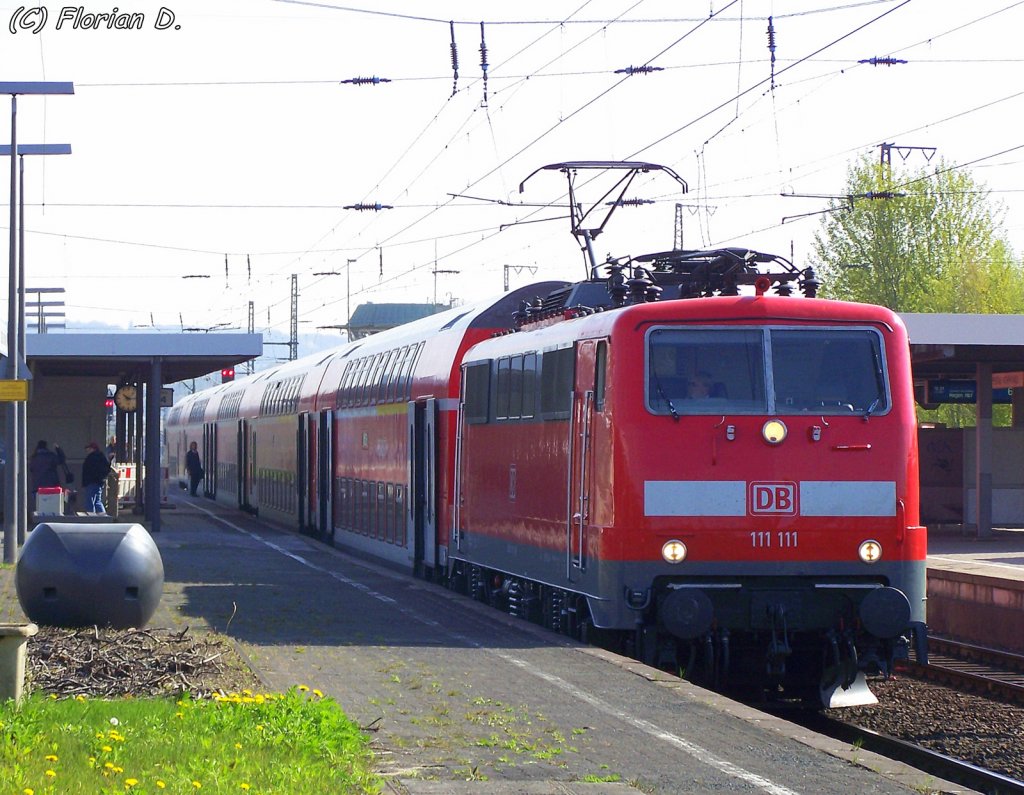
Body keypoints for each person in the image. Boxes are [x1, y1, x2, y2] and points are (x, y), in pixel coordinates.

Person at [82, 441, 112, 514]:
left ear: (93, 449)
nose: (87, 450)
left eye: (88, 448)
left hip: (91, 482)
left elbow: (89, 470)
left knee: (90, 501)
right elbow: (107, 468)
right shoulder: (101, 456)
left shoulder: (91, 458)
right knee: (97, 501)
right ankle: (103, 518)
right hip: (98, 482)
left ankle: (91, 518)